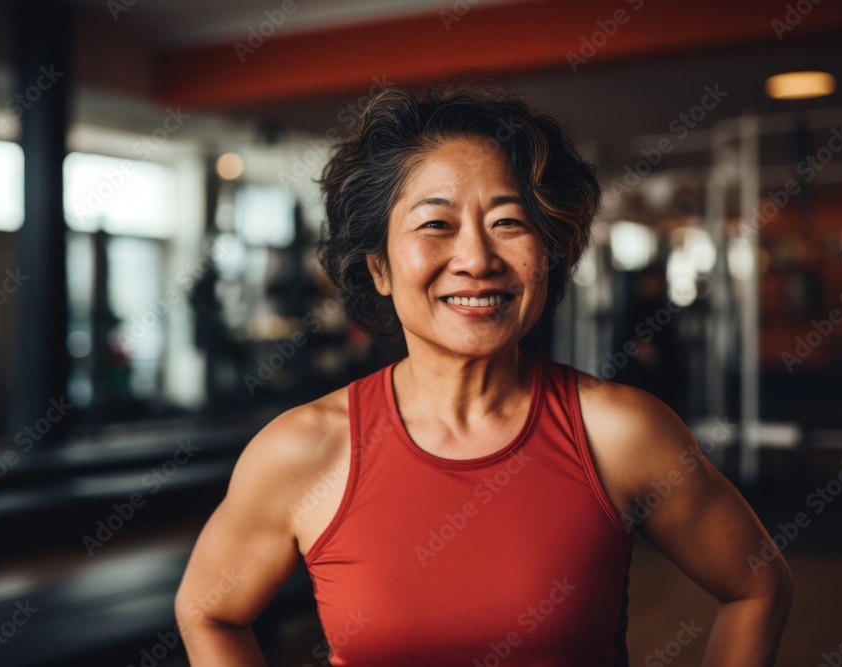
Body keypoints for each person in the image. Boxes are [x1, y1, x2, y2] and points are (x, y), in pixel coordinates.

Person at [174, 78, 793, 666]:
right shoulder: (302, 450)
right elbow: (209, 613)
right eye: (436, 225)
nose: (475, 258)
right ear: (381, 270)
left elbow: (756, 585)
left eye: (509, 223)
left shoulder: (620, 430)